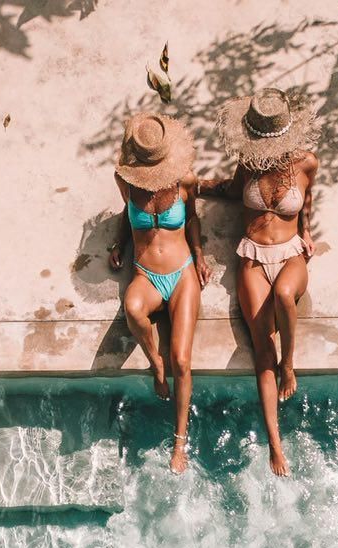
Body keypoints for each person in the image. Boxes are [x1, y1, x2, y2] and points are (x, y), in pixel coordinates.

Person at [202, 88, 318, 476]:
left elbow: (309, 199)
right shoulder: (248, 164)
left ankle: (290, 364)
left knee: (285, 294)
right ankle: (275, 445)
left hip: (290, 254)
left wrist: (306, 230)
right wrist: (197, 186)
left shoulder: (306, 164)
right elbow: (233, 192)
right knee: (259, 350)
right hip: (252, 254)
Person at [109, 113, 210, 473]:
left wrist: (199, 256)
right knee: (132, 307)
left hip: (182, 274)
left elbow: (193, 218)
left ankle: (180, 443)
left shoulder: (185, 182)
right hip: (147, 274)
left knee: (184, 360)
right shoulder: (125, 181)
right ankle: (156, 364)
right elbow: (128, 212)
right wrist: (119, 242)